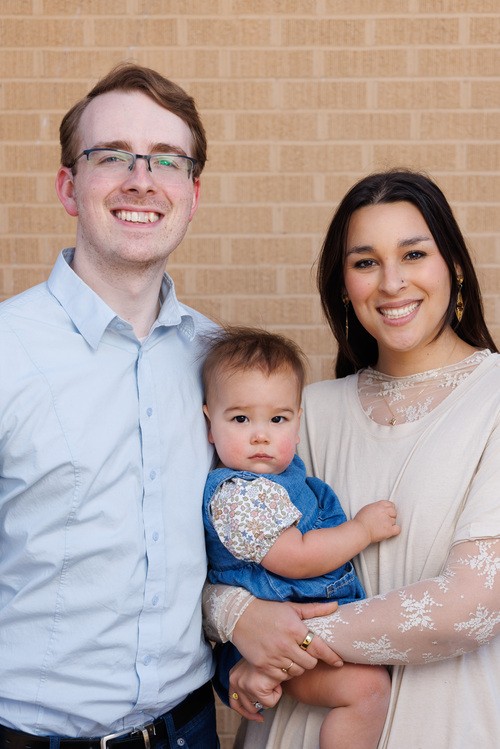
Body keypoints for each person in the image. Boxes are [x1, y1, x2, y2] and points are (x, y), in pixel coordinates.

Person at [204, 170, 500, 748]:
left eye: (414, 254)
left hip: (448, 724)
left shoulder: (493, 398)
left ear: (456, 267)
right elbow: (207, 558)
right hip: (298, 726)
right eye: (365, 262)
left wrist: (279, 641)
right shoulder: (300, 414)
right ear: (343, 284)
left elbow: (472, 605)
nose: (391, 282)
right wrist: (236, 614)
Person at [0, 61, 220, 749]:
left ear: (192, 194)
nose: (141, 179)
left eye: (167, 160)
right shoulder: (7, 350)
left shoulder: (217, 360)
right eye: (112, 155)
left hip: (189, 730)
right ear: (69, 187)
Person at [202, 326, 399, 749]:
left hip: (299, 627)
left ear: (296, 422)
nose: (260, 434)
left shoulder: (287, 476)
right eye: (240, 419)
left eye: (278, 419)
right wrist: (362, 530)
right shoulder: (238, 495)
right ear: (209, 425)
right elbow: (296, 559)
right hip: (268, 638)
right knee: (367, 690)